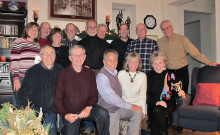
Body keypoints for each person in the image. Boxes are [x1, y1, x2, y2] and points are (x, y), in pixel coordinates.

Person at [54, 45, 110, 135]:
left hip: (87, 108)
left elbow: (94, 95)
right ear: (70, 58)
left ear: (85, 57)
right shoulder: (63, 75)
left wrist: (88, 107)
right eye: (75, 55)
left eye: (81, 55)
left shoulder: (90, 73)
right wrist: (65, 115)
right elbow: (57, 100)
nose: (78, 57)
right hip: (71, 112)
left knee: (103, 114)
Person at [158, 20, 218, 94]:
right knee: (170, 96)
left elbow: (195, 53)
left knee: (182, 96)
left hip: (182, 72)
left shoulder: (182, 39)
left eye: (167, 27)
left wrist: (208, 62)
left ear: (172, 27)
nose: (166, 30)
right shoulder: (159, 42)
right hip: (169, 72)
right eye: (163, 29)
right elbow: (158, 58)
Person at [18, 45, 63, 135]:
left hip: (51, 112)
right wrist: (27, 113)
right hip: (36, 112)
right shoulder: (33, 71)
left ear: (55, 56)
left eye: (51, 53)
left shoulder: (60, 69)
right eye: (45, 54)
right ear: (41, 56)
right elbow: (24, 94)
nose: (49, 56)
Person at [96, 49, 143, 135]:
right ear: (104, 62)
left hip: (117, 108)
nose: (113, 63)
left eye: (115, 60)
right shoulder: (102, 76)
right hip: (109, 111)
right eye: (109, 60)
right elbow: (111, 97)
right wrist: (130, 105)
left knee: (138, 111)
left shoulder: (114, 73)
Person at [147, 51, 186, 135]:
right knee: (155, 131)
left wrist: (180, 92)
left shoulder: (170, 75)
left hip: (168, 104)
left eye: (160, 63)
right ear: (152, 64)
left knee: (158, 112)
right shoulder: (148, 76)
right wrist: (157, 102)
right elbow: (146, 95)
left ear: (164, 63)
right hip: (153, 105)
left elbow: (177, 90)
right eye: (155, 63)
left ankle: (165, 129)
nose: (158, 66)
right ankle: (166, 122)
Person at [10, 22, 41, 108]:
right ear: (26, 29)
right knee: (19, 101)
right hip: (20, 76)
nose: (34, 31)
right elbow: (14, 61)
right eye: (32, 29)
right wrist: (16, 79)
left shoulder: (37, 45)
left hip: (31, 78)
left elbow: (36, 63)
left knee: (28, 103)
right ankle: (16, 121)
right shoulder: (19, 41)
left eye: (36, 30)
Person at [118, 52, 147, 119]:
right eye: (131, 61)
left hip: (137, 106)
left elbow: (143, 95)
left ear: (139, 63)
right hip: (124, 106)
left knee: (137, 119)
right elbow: (117, 93)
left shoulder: (143, 76)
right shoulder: (121, 74)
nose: (133, 64)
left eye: (136, 62)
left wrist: (144, 111)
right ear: (127, 62)